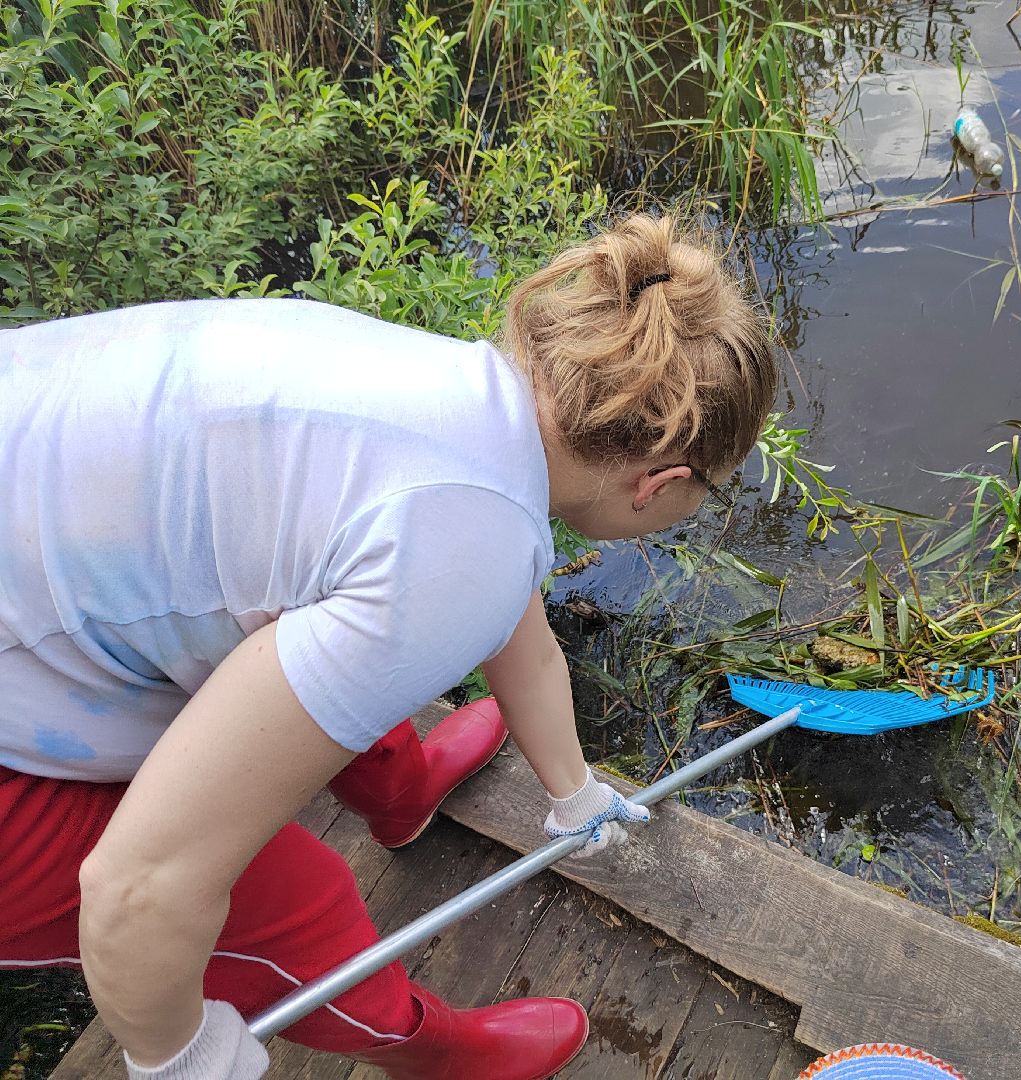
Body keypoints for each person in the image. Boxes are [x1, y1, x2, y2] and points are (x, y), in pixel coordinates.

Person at [0, 214, 777, 1079]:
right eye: (707, 493)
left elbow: (506, 614)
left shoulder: (467, 399)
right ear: (660, 483)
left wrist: (574, 791)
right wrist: (175, 1053)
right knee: (293, 903)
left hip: (53, 577)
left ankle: (399, 793)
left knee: (344, 631)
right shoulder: (455, 543)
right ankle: (426, 1046)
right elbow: (134, 888)